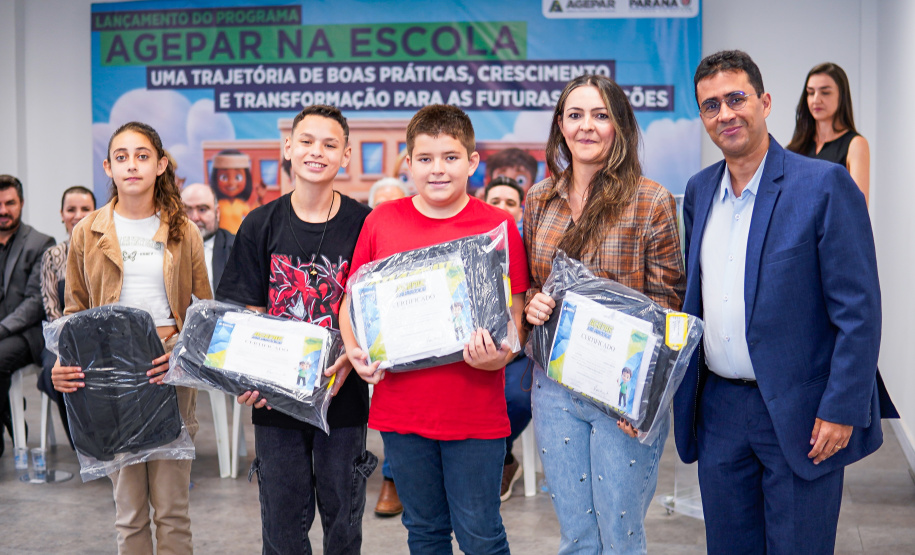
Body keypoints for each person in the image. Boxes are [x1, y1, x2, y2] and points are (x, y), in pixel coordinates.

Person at [672, 50, 886, 555]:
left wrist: (842, 407)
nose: (725, 114)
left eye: (736, 98)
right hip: (719, 410)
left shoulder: (823, 185)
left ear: (764, 103)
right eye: (710, 106)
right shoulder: (698, 191)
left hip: (801, 413)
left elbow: (859, 310)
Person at [342, 104, 530, 554]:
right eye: (425, 158)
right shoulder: (381, 221)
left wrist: (500, 356)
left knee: (481, 534)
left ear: (472, 161)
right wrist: (355, 350)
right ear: (408, 163)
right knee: (424, 530)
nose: (437, 169)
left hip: (476, 411)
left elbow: (516, 315)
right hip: (402, 411)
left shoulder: (497, 225)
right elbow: (352, 299)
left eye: (450, 157)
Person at [523, 74, 684, 554]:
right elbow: (531, 281)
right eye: (575, 115)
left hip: (622, 393)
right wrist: (532, 302)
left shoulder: (650, 200)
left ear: (620, 125)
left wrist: (646, 401)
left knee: (620, 537)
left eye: (600, 115)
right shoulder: (538, 198)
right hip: (554, 387)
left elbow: (669, 307)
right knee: (575, 537)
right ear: (561, 125)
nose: (586, 126)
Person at [216, 105, 376, 555]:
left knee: (343, 522)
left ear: (346, 155)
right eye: (306, 141)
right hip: (275, 402)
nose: (316, 152)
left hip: (342, 396)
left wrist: (353, 357)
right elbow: (248, 312)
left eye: (329, 144)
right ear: (288, 147)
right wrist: (250, 374)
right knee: (282, 526)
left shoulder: (365, 224)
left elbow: (371, 308)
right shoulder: (259, 224)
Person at [51, 121, 212, 554]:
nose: (132, 165)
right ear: (108, 167)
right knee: (129, 515)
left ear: (160, 165)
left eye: (142, 156)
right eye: (121, 157)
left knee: (173, 512)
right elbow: (74, 312)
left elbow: (203, 309)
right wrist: (62, 363)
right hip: (109, 373)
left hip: (168, 367)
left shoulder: (184, 230)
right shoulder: (87, 231)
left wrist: (182, 353)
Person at [482, 175, 530, 501]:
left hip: (522, 349)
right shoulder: (467, 241)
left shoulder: (530, 246)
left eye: (510, 203)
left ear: (521, 211)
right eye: (495, 201)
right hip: (475, 345)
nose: (502, 208)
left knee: (517, 397)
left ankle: (501, 458)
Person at [37, 185, 96, 448]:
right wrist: (70, 344)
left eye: (85, 209)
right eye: (71, 209)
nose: (78, 215)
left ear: (96, 213)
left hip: (99, 335)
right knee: (59, 370)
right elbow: (52, 311)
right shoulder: (52, 256)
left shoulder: (105, 251)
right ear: (62, 214)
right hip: (61, 338)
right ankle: (80, 443)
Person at [0, 175, 55, 458]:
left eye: (10, 203)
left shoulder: (41, 243)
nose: (3, 210)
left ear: (21, 203)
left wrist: (2, 328)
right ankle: (9, 413)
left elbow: (36, 302)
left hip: (26, 333)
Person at [786, 62, 870, 201]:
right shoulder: (796, 144)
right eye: (810, 93)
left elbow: (859, 207)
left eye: (825, 92)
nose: (816, 100)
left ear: (841, 96)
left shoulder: (855, 144)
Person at [181, 183, 235, 294]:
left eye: (202, 209)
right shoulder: (165, 248)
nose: (194, 217)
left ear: (217, 212)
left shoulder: (237, 248)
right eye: (187, 210)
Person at [209, 149, 255, 234]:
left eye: (238, 177)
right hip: (221, 238)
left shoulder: (242, 205)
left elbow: (253, 218)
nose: (231, 183)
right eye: (224, 177)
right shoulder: (217, 204)